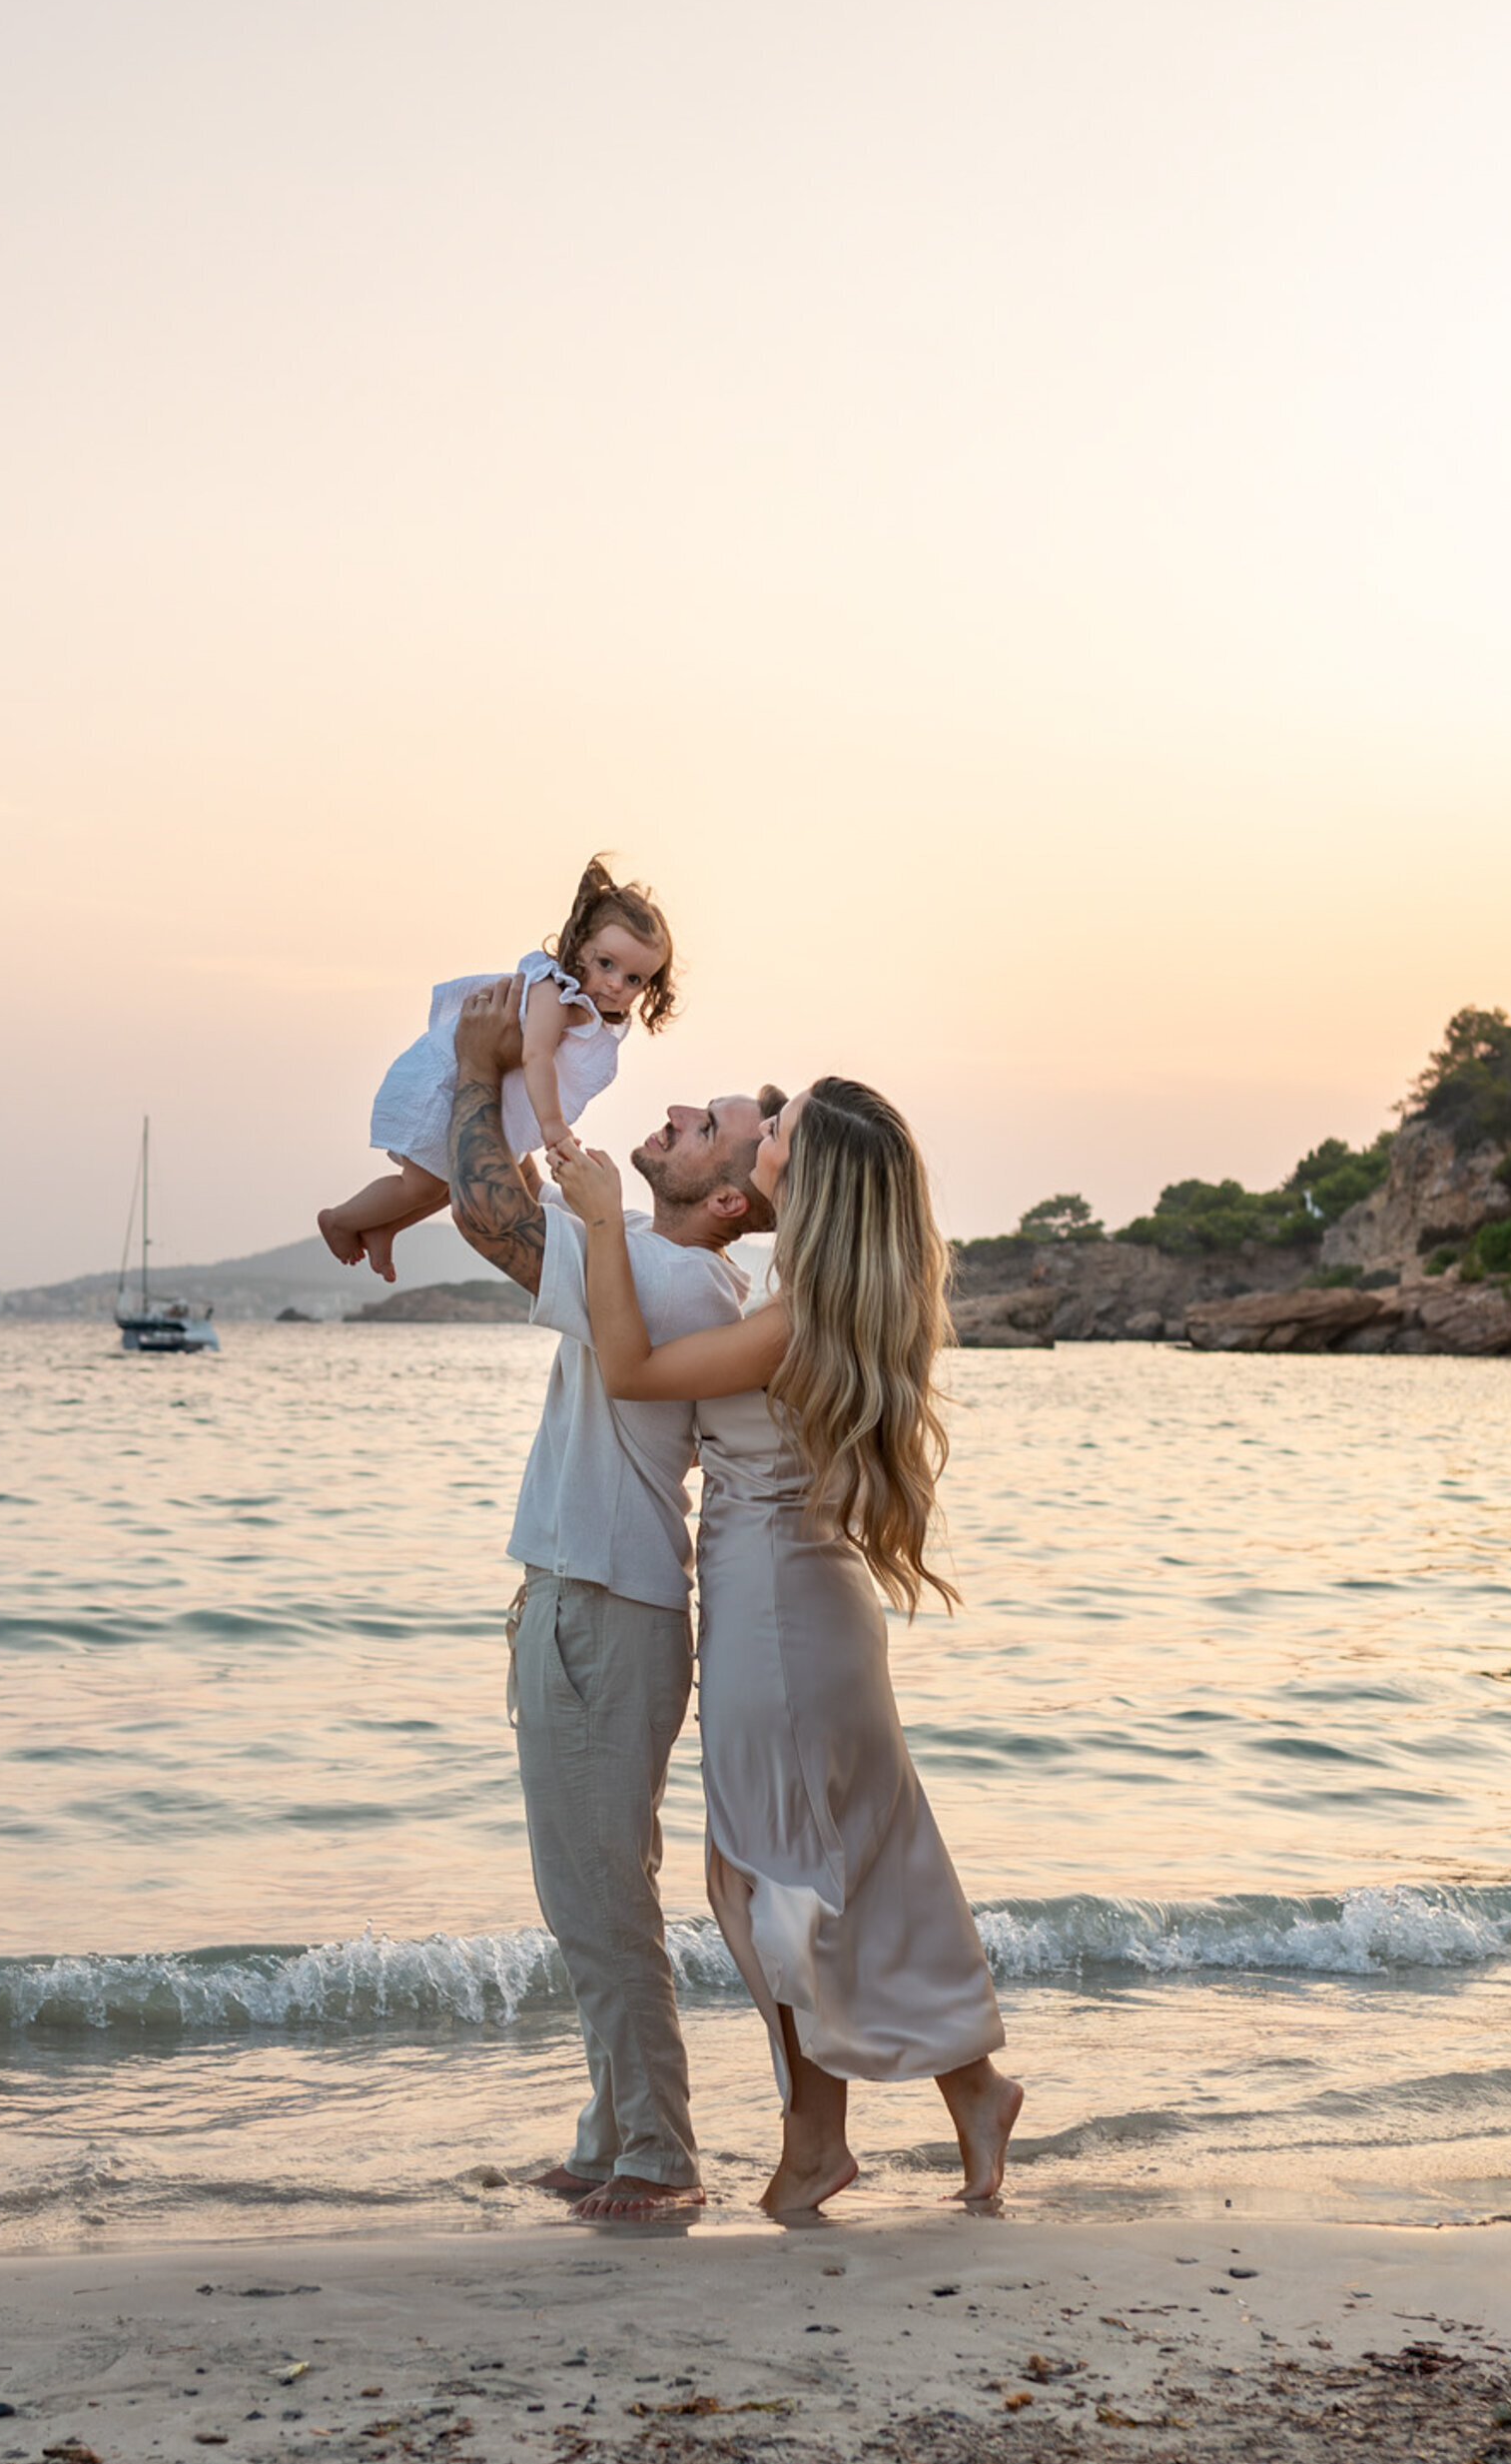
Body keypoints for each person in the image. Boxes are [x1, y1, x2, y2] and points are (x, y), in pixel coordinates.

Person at [547, 1079, 1022, 2218]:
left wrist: (605, 1218)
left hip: (775, 1616)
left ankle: (815, 2143)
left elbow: (631, 1372)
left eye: (781, 1127)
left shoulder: (795, 1316)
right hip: (810, 1612)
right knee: (864, 1868)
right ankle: (972, 2088)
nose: (761, 1125)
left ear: (807, 1179)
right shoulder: (829, 1301)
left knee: (775, 1883)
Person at [443, 976, 778, 2219]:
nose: (679, 1108)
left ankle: (657, 2150)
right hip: (592, 1598)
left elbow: (488, 1217)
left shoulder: (681, 1282)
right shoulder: (635, 1256)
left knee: (595, 1895)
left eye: (706, 1124)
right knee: (591, 1878)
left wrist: (484, 1071)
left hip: (602, 1602)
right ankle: (610, 2127)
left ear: (728, 1196)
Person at [318, 858, 677, 1281]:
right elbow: (536, 1056)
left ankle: (384, 1226)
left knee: (456, 1182)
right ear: (579, 947)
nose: (618, 984)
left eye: (635, 979)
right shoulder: (553, 988)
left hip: (485, 1093)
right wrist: (552, 1127)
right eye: (606, 965)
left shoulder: (591, 1013)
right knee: (420, 1185)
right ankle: (339, 1220)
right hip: (448, 1087)